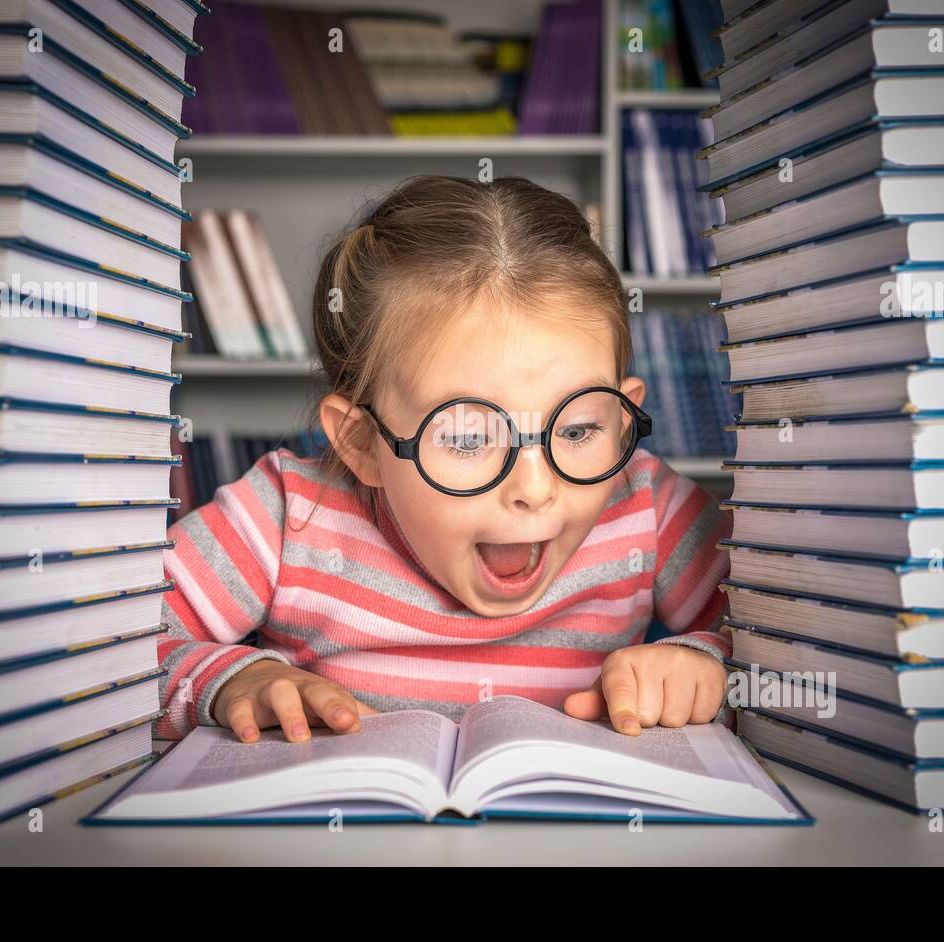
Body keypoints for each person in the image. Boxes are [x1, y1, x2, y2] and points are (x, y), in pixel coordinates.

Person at [157, 175, 732, 744]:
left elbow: (785, 643)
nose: (535, 487)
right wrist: (234, 681)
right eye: (464, 439)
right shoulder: (288, 517)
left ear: (624, 417)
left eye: (580, 429)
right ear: (362, 444)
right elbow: (115, 648)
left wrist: (700, 664)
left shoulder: (646, 506)